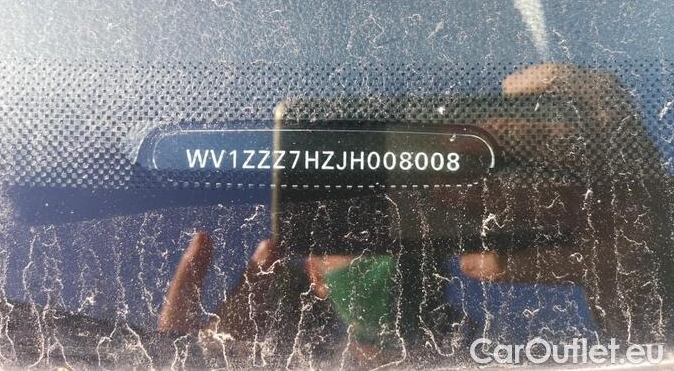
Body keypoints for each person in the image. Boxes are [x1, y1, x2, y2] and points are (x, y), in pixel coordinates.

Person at [157, 64, 672, 366]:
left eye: (410, 216)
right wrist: (195, 364)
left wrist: (651, 280)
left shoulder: (512, 353)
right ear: (313, 273)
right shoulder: (288, 361)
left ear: (438, 249)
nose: (389, 250)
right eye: (357, 223)